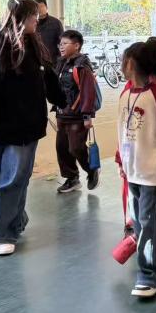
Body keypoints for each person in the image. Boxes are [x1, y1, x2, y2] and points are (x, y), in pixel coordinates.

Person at [0, 0, 65, 256]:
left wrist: (62, 101)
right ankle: (15, 220)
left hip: (26, 126)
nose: (36, 20)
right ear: (20, 18)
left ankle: (5, 232)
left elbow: (49, 79)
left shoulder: (36, 47)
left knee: (14, 179)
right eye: (33, 16)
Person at [116, 39, 156, 298]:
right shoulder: (125, 94)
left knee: (146, 220)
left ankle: (149, 275)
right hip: (132, 170)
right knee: (142, 220)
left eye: (125, 61)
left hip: (152, 171)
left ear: (133, 64)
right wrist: (121, 160)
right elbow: (121, 132)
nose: (122, 65)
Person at [54, 29, 100, 194]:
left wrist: (87, 115)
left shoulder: (82, 66)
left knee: (75, 148)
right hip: (62, 113)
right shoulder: (60, 63)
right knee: (61, 147)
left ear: (77, 45)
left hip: (78, 115)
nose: (61, 46)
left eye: (65, 43)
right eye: (60, 44)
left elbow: (88, 91)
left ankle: (91, 169)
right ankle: (72, 178)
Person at [34, 0, 64, 64]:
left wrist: (60, 59)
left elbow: (62, 42)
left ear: (46, 8)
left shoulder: (56, 23)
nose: (39, 9)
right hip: (35, 60)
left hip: (52, 60)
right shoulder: (31, 23)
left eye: (41, 6)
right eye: (37, 7)